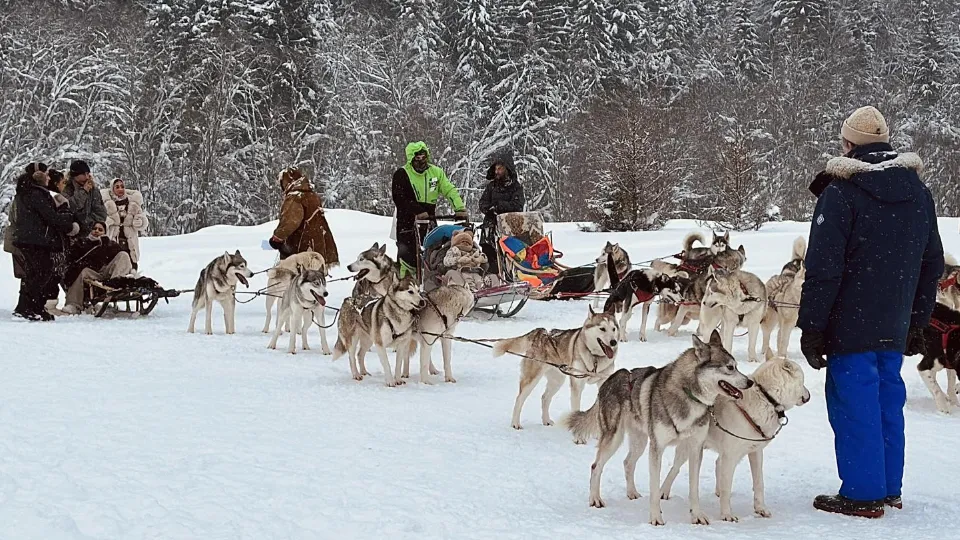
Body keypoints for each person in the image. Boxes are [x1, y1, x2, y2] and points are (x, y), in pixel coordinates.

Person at [798, 105, 944, 518]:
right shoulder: (919, 191)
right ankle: (889, 487)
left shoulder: (841, 191)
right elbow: (931, 262)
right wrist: (917, 321)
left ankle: (863, 495)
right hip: (895, 320)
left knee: (854, 403)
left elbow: (824, 267)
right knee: (886, 401)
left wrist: (812, 326)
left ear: (848, 145)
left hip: (850, 320)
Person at [11, 164, 79, 320]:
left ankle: (26, 306)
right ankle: (32, 307)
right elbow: (51, 217)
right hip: (36, 241)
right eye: (47, 174)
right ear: (39, 175)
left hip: (29, 239)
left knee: (33, 274)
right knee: (42, 272)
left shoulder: (25, 192)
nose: (49, 177)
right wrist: (67, 217)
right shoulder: (36, 193)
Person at [391, 141, 468, 278]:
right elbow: (400, 198)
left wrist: (459, 208)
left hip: (429, 220)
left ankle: (430, 282)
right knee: (408, 257)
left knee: (432, 253)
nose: (421, 161)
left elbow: (449, 190)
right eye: (417, 158)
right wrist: (417, 210)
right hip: (407, 221)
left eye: (423, 157)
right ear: (411, 159)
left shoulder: (436, 173)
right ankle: (405, 284)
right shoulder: (402, 174)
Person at [268, 166, 339, 267]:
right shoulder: (312, 195)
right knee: (314, 278)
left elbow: (291, 221)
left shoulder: (295, 197)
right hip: (318, 245)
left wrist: (277, 238)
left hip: (302, 247)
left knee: (296, 278)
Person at [60, 221, 135, 314]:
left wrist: (105, 244)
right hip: (92, 272)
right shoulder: (83, 243)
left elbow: (121, 258)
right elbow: (73, 259)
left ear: (104, 232)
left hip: (107, 274)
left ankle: (116, 285)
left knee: (123, 254)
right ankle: (74, 304)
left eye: (100, 230)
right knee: (82, 271)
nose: (97, 231)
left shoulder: (110, 244)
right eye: (94, 229)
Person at [477, 149, 525, 273]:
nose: (497, 171)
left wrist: (500, 206)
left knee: (510, 260)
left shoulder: (516, 187)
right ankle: (491, 282)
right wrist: (489, 209)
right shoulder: (491, 186)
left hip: (509, 230)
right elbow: (482, 203)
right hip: (490, 229)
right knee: (490, 260)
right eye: (496, 169)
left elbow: (518, 205)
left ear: (507, 169)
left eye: (500, 169)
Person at [101, 178, 149, 270]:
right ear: (112, 189)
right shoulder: (106, 204)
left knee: (131, 267)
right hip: (113, 242)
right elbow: (101, 222)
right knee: (114, 266)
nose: (120, 189)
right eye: (117, 187)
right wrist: (108, 221)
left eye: (122, 186)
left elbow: (143, 220)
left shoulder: (133, 204)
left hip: (129, 243)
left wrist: (140, 222)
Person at [63, 159, 107, 239]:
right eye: (84, 174)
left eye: (88, 174)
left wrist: (87, 224)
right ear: (75, 175)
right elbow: (70, 207)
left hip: (90, 235)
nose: (87, 177)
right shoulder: (66, 189)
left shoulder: (93, 190)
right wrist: (83, 192)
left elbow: (101, 213)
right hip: (71, 235)